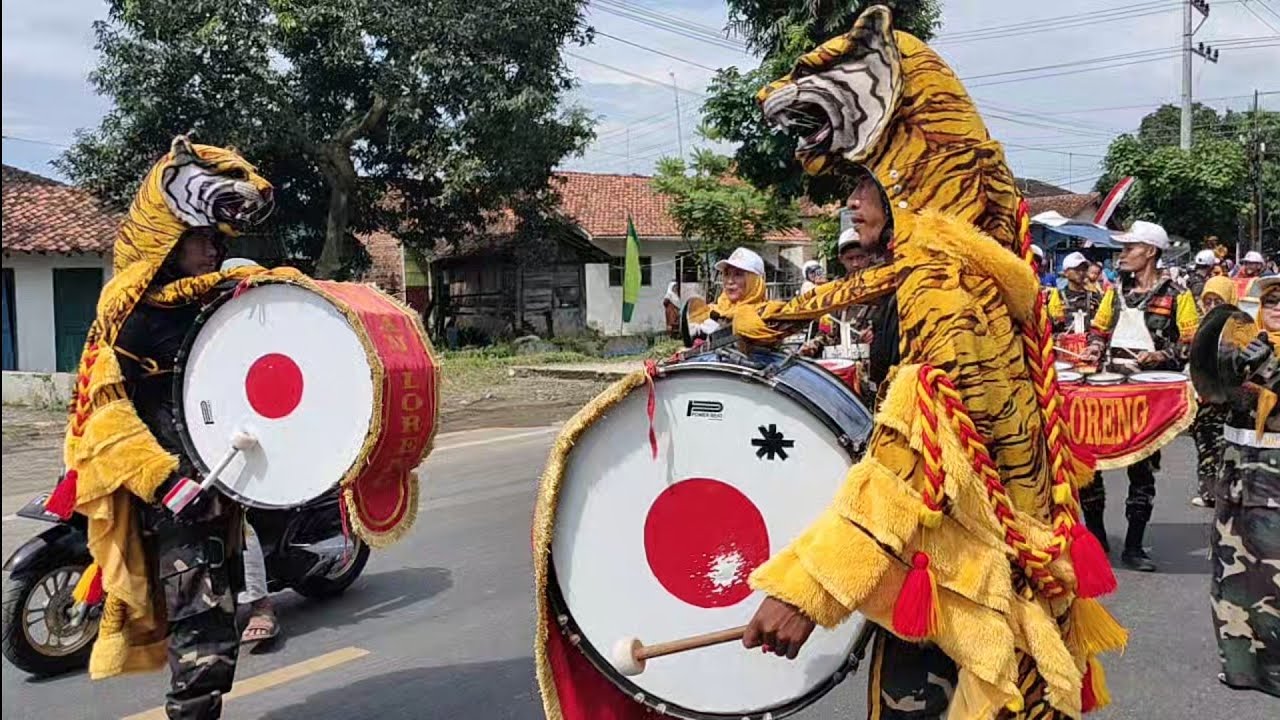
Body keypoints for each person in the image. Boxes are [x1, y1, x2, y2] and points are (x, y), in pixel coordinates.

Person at [45, 137, 297, 720]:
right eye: (199, 239)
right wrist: (163, 481)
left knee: (217, 620)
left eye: (214, 240)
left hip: (223, 481)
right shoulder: (128, 316)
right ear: (167, 240)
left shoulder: (215, 303)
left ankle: (257, 609)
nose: (212, 250)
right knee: (202, 637)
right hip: (175, 496)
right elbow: (106, 417)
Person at [1080, 220, 1199, 571]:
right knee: (1091, 464)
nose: (1122, 254)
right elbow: (1098, 330)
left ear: (1150, 251)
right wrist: (1094, 347)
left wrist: (1163, 354)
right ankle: (1097, 538)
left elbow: (1192, 343)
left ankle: (1133, 546)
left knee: (1141, 470)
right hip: (1110, 387)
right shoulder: (1114, 291)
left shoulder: (1178, 296)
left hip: (1149, 393)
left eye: (1129, 248)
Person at [1202, 275, 1280, 697]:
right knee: (1231, 575)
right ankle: (1240, 667)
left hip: (1276, 478)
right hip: (1236, 474)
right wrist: (1225, 371)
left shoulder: (1264, 354)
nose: (1277, 306)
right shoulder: (1244, 343)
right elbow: (1212, 395)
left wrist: (1269, 370)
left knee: (1274, 578)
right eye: (1271, 300)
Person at [1190, 276, 1239, 508]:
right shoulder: (1199, 326)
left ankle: (1225, 494)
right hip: (1202, 400)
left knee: (1225, 449)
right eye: (1207, 301)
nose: (1211, 307)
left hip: (1226, 401)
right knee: (1205, 446)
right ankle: (1209, 493)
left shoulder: (1239, 328)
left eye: (1217, 301)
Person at [1047, 251, 1101, 333]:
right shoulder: (1057, 297)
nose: (1081, 273)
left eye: (1084, 269)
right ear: (1066, 272)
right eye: (1077, 269)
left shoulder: (1095, 297)